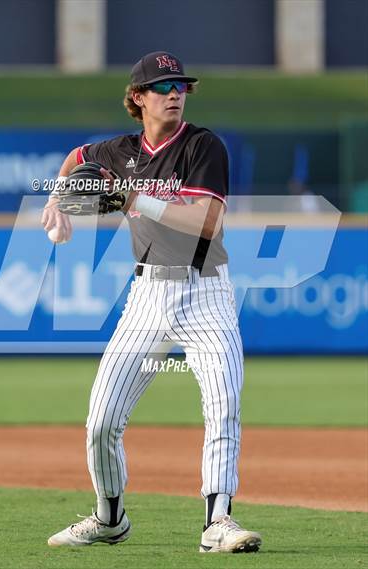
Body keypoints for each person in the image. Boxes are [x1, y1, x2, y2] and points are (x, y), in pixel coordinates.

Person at [42, 51, 261, 554]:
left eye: (180, 86)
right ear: (138, 98)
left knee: (223, 406)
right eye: (163, 87)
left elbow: (207, 221)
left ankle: (218, 522)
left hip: (205, 293)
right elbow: (78, 158)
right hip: (145, 297)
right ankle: (108, 518)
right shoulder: (118, 150)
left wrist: (133, 198)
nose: (175, 94)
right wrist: (57, 198)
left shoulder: (204, 145)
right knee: (101, 419)